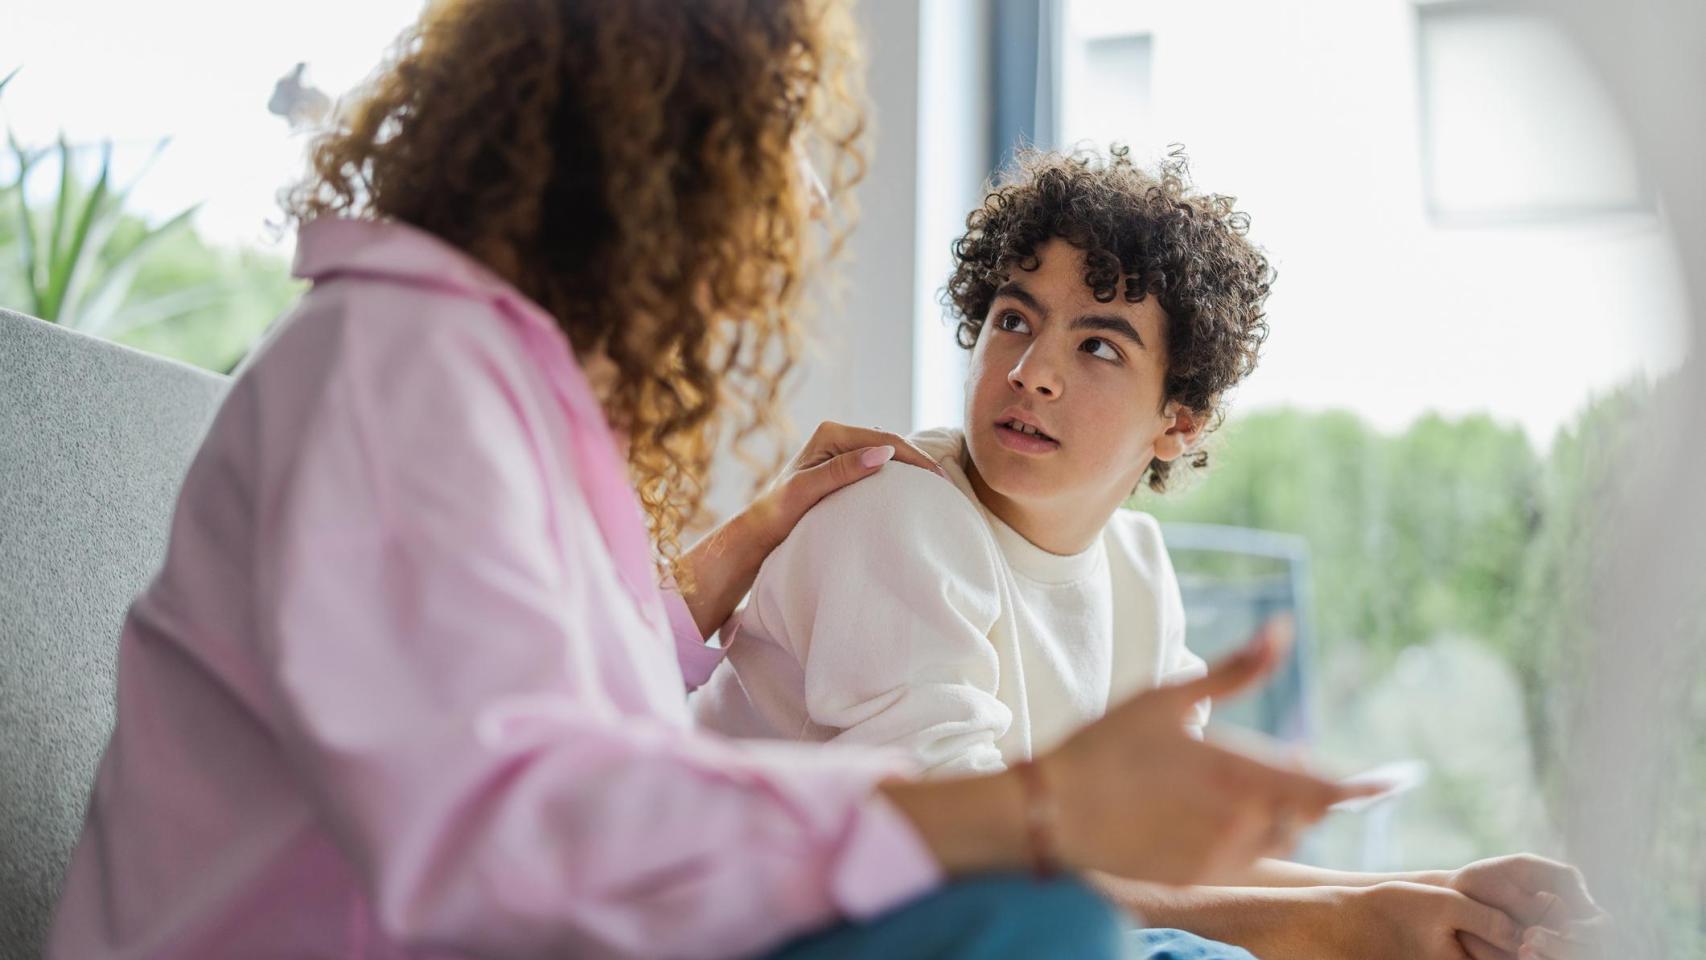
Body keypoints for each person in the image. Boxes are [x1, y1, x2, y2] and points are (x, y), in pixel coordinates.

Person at [45, 3, 1372, 959]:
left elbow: (540, 715)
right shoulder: (395, 367)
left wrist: (725, 565)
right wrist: (1027, 811)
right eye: (772, 139)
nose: (801, 199)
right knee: (1034, 926)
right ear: (650, 153)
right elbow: (502, 830)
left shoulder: (493, 386)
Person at [692, 147, 1608, 960]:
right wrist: (1352, 926)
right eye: (1013, 320)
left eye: (1098, 345)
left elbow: (1149, 858)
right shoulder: (896, 511)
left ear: (1179, 421)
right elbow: (969, 876)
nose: (1031, 372)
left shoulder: (1136, 567)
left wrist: (1436, 894)